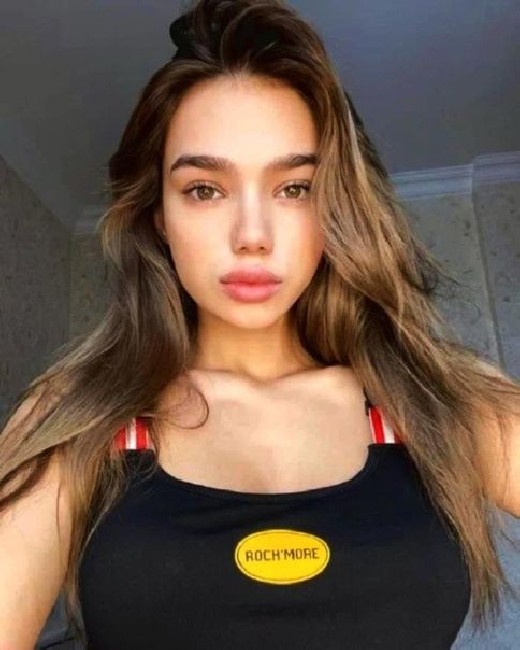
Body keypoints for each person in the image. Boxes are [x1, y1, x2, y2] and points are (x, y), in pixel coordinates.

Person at [1, 0, 519, 648]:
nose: (252, 234)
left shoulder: (439, 400)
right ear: (159, 215)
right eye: (205, 189)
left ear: (335, 206)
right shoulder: (80, 416)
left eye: (294, 188)